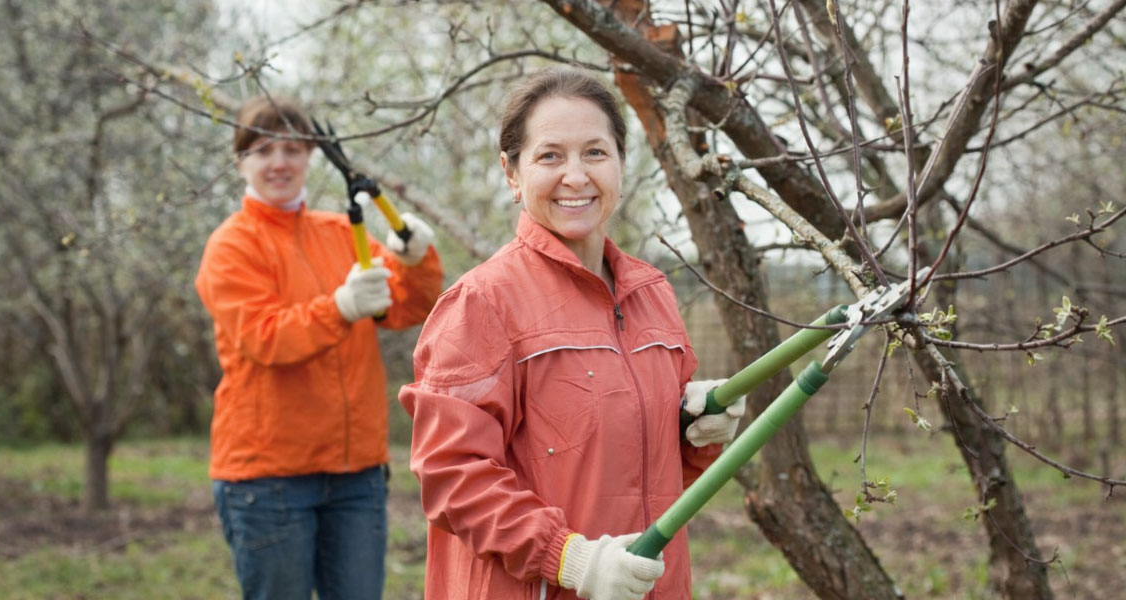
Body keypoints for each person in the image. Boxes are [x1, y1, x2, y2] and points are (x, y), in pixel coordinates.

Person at [398, 67, 746, 600]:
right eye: (550, 156)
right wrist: (568, 558)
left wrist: (698, 430)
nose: (576, 176)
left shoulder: (651, 293)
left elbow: (649, 476)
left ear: (621, 163)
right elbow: (451, 476)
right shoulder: (482, 303)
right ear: (512, 173)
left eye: (595, 153)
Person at [195, 95, 443, 600]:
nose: (279, 162)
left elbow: (411, 305)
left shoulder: (341, 232)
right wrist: (340, 308)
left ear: (310, 155)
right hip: (268, 479)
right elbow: (264, 338)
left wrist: (417, 259)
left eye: (291, 149)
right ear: (240, 161)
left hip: (356, 476)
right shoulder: (231, 246)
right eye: (263, 150)